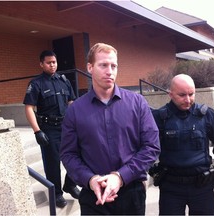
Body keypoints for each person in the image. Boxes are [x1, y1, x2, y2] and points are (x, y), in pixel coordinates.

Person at [60, 43, 161, 215]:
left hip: (131, 193)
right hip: (94, 196)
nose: (110, 71)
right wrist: (90, 179)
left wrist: (120, 177)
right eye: (103, 65)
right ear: (90, 67)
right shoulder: (75, 110)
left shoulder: (137, 103)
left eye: (113, 66)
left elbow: (151, 146)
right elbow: (68, 154)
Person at [151, 74, 214, 215]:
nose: (188, 100)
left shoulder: (207, 115)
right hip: (171, 188)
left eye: (191, 94)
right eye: (182, 95)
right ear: (171, 94)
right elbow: (146, 148)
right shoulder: (159, 118)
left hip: (202, 188)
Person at [23, 50, 80, 208]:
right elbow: (29, 108)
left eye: (54, 62)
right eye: (48, 62)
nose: (52, 65)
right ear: (41, 64)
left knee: (77, 155)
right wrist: (37, 131)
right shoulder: (36, 84)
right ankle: (56, 194)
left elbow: (71, 103)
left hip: (66, 127)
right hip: (48, 128)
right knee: (52, 163)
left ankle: (70, 184)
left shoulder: (64, 81)